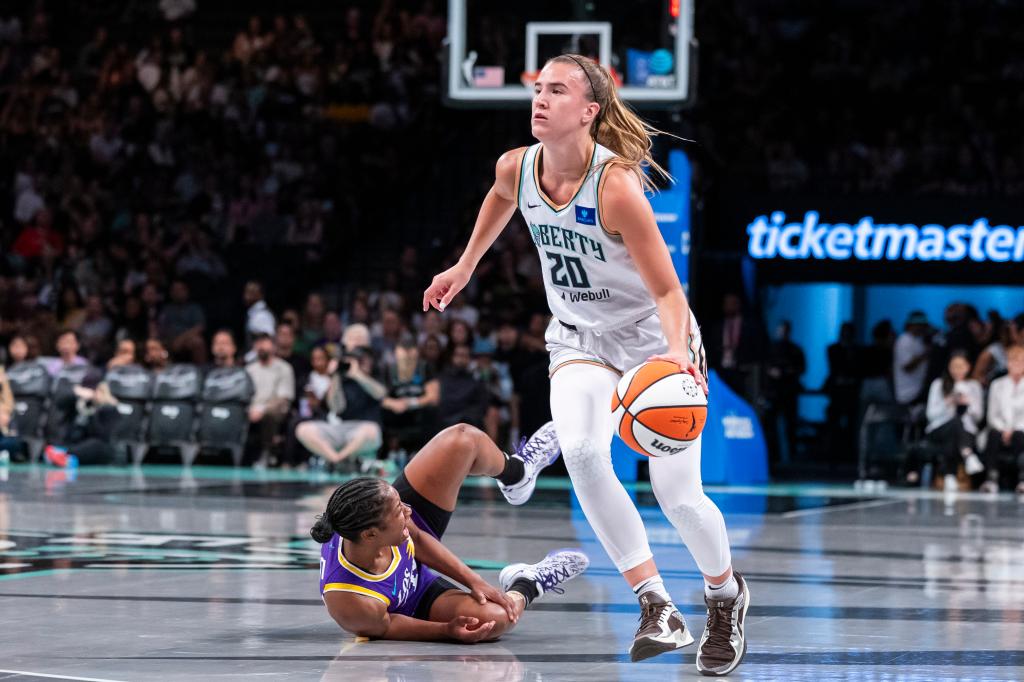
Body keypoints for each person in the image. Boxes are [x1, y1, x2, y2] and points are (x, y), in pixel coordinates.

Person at [423, 54, 748, 674]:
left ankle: (724, 596)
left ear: (589, 111)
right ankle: (656, 604)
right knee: (584, 453)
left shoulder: (616, 186)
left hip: (652, 339)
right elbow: (499, 198)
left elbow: (669, 293)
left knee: (677, 497)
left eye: (557, 91)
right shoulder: (516, 166)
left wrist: (677, 357)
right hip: (578, 338)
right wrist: (465, 266)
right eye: (537, 88)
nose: (540, 99)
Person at [313, 421, 585, 642]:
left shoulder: (370, 517)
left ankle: (517, 473)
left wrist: (474, 580)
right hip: (413, 597)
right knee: (496, 619)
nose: (407, 510)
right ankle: (527, 582)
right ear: (370, 535)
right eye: (399, 510)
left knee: (463, 438)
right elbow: (386, 625)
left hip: (405, 539)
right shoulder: (349, 600)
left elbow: (417, 536)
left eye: (399, 502)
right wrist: (445, 631)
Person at [295, 346, 386, 468]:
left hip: (363, 429)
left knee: (372, 431)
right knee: (303, 429)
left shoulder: (374, 376)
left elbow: (380, 394)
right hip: (341, 428)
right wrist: (335, 376)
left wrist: (357, 375)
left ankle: (341, 458)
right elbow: (336, 408)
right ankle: (335, 459)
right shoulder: (342, 379)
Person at [920, 351, 984, 491]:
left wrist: (968, 404)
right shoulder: (938, 384)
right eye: (954, 366)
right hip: (940, 428)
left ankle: (949, 476)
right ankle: (968, 455)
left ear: (968, 367)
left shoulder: (974, 386)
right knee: (955, 424)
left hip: (965, 432)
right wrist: (948, 403)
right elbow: (931, 415)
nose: (958, 370)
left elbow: (978, 416)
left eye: (961, 366)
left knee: (957, 428)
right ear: (949, 367)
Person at [245, 333, 295, 467]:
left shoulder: (284, 368)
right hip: (251, 408)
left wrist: (261, 409)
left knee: (270, 413)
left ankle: (267, 451)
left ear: (273, 347)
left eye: (264, 343)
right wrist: (250, 409)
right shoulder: (249, 369)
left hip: (275, 407)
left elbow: (284, 397)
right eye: (258, 343)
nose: (261, 346)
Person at [981, 345, 1024, 495]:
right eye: (1013, 361)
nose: (1016, 365)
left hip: (1021, 429)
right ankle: (991, 479)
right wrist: (1005, 429)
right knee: (993, 434)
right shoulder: (997, 385)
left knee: (1020, 435)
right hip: (999, 428)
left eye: (1020, 361)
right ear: (1007, 363)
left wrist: (1014, 429)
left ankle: (1022, 479)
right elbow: (992, 414)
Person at [893, 311, 932, 412]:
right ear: (913, 325)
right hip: (907, 393)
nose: (924, 328)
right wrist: (925, 354)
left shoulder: (918, 341)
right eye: (921, 325)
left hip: (918, 392)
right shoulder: (904, 340)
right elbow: (907, 366)